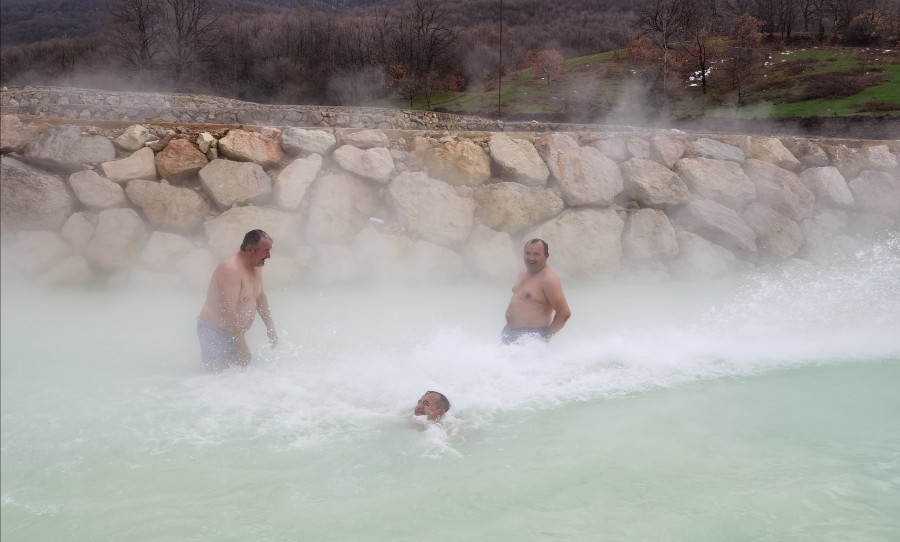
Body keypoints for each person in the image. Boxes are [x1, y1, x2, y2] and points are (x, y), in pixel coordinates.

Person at [197, 229, 278, 370]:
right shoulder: (230, 270)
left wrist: (270, 327)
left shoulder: (256, 265)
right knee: (218, 378)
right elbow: (228, 311)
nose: (269, 256)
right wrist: (241, 345)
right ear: (250, 250)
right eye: (266, 251)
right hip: (216, 331)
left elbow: (260, 297)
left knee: (237, 378)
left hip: (234, 332)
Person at [501, 238, 571, 344]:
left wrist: (545, 337)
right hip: (509, 331)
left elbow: (564, 312)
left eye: (536, 254)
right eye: (527, 253)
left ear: (546, 256)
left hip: (531, 336)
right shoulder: (524, 272)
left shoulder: (548, 279)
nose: (531, 258)